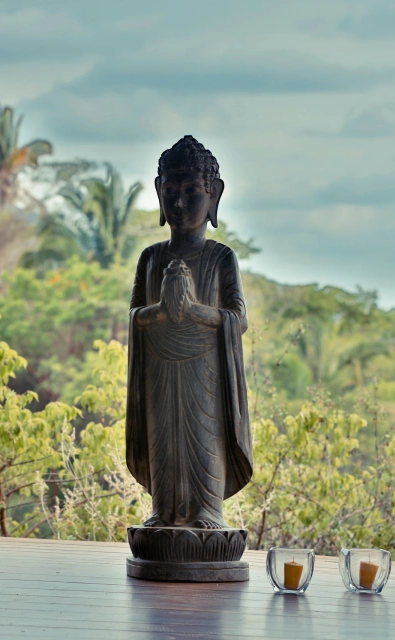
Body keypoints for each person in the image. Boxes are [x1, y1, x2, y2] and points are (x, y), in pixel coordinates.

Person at [126, 135, 253, 530]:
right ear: (159, 196)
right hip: (160, 369)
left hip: (205, 372)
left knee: (203, 439)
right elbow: (134, 315)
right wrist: (161, 311)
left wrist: (194, 310)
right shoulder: (151, 257)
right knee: (164, 441)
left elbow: (238, 317)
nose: (180, 203)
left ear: (213, 196)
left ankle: (207, 512)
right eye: (171, 192)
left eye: (192, 192)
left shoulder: (220, 257)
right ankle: (163, 510)